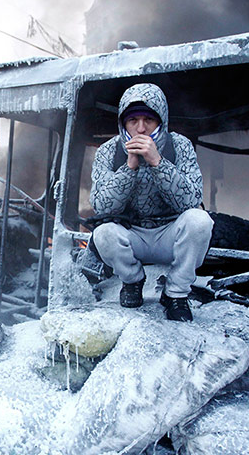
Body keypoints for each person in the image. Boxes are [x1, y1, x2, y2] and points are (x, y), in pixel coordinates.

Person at [89, 83, 213, 321]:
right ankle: (133, 282)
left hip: (170, 233)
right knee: (103, 233)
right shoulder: (108, 151)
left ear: (161, 120)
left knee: (200, 221)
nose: (141, 128)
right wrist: (129, 167)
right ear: (123, 122)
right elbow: (102, 206)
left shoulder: (179, 145)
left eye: (149, 119)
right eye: (133, 120)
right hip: (132, 234)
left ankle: (175, 294)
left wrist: (158, 162)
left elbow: (191, 200)